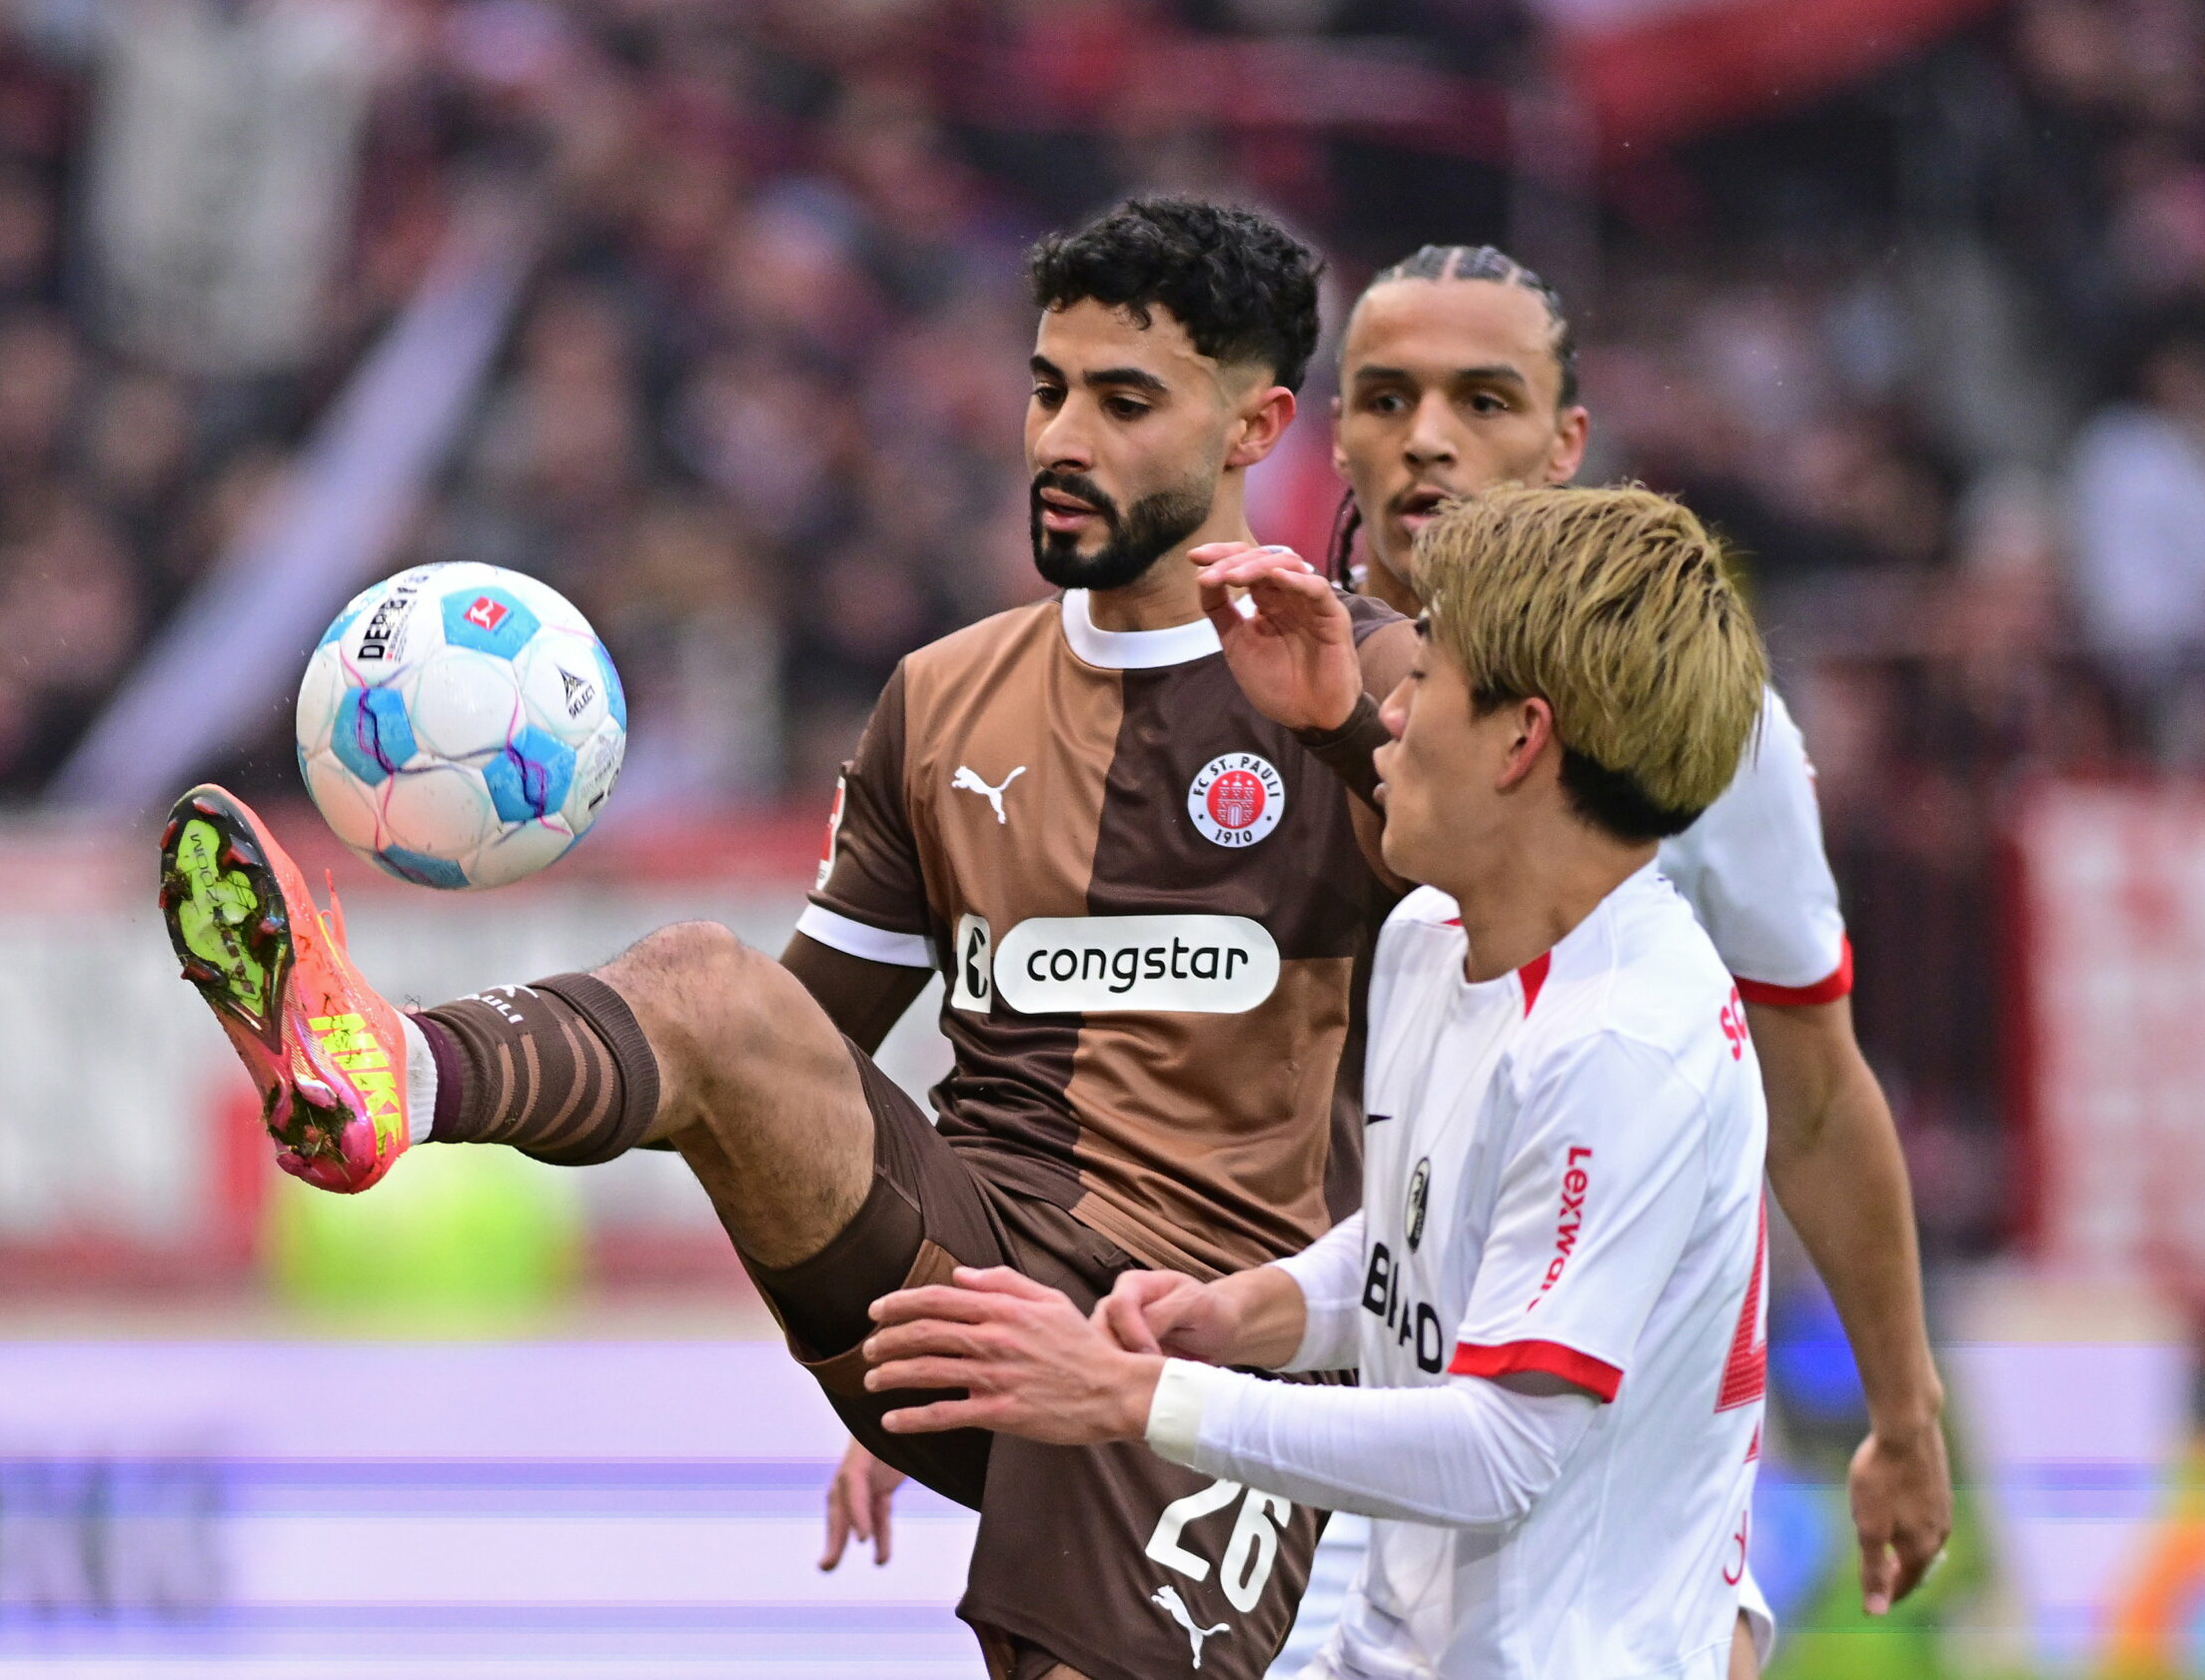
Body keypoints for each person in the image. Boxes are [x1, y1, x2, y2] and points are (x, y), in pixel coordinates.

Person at [157, 197, 1417, 1680]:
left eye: (1123, 400)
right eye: (1046, 387)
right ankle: (396, 1076)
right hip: (969, 1278)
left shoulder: (1371, 674)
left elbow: (1520, 911)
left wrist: (1337, 725)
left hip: (1219, 1344)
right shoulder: (941, 701)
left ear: (1254, 425)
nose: (1062, 437)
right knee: (708, 982)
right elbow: (791, 1040)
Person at [824, 242, 1952, 1677]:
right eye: (1389, 394)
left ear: (1567, 443)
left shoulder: (1664, 870)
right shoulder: (1417, 900)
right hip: (1320, 1460)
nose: (1429, 437)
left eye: (1484, 400)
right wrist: (1153, 1333)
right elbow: (1409, 1218)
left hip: (1526, 1505)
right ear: (1318, 421)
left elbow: (1805, 1099)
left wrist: (1900, 1417)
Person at [859, 482, 1775, 1680]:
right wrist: (1237, 1310)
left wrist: (1140, 1394)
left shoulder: (1621, 1045)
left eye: (1425, 674)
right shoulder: (1432, 940)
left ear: (1521, 736)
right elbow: (1409, 1249)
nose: (1386, 709)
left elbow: (1502, 1449)